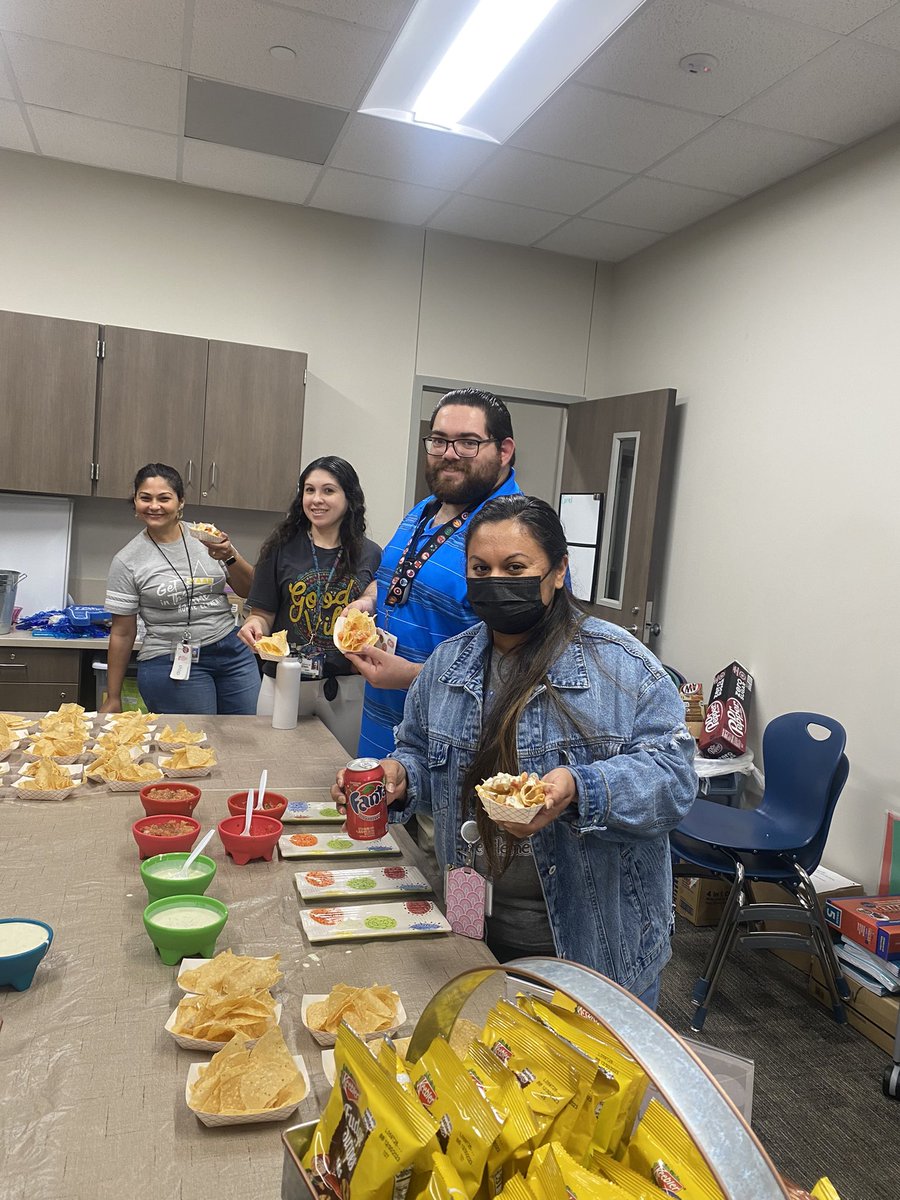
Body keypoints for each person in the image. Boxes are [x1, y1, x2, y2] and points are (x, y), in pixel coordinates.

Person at [334, 496, 697, 1006]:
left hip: (590, 946)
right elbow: (419, 752)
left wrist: (579, 788)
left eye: (516, 567)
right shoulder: (447, 664)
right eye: (481, 569)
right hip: (473, 928)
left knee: (583, 1078)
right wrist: (399, 775)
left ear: (557, 571)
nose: (496, 580)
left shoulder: (620, 664)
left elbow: (674, 781)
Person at [345, 388, 520, 761]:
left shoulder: (516, 533)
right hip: (384, 736)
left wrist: (411, 676)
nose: (449, 454)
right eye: (439, 440)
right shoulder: (427, 507)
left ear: (504, 451)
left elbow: (522, 674)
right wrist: (367, 600)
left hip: (451, 758)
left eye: (468, 443)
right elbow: (396, 576)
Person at [100, 463, 260, 715]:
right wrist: (113, 696)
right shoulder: (127, 560)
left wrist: (229, 554)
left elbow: (250, 590)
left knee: (246, 740)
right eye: (145, 498)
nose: (154, 506)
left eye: (164, 498)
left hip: (232, 653)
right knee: (197, 745)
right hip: (169, 658)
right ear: (135, 502)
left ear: (181, 502)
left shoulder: (207, 537)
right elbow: (122, 633)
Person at [238, 456, 381, 722]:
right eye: (309, 490)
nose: (316, 499)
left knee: (339, 763)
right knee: (276, 758)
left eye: (328, 490)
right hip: (284, 677)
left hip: (345, 685)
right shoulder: (280, 548)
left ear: (349, 497)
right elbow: (263, 614)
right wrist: (253, 626)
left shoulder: (371, 554)